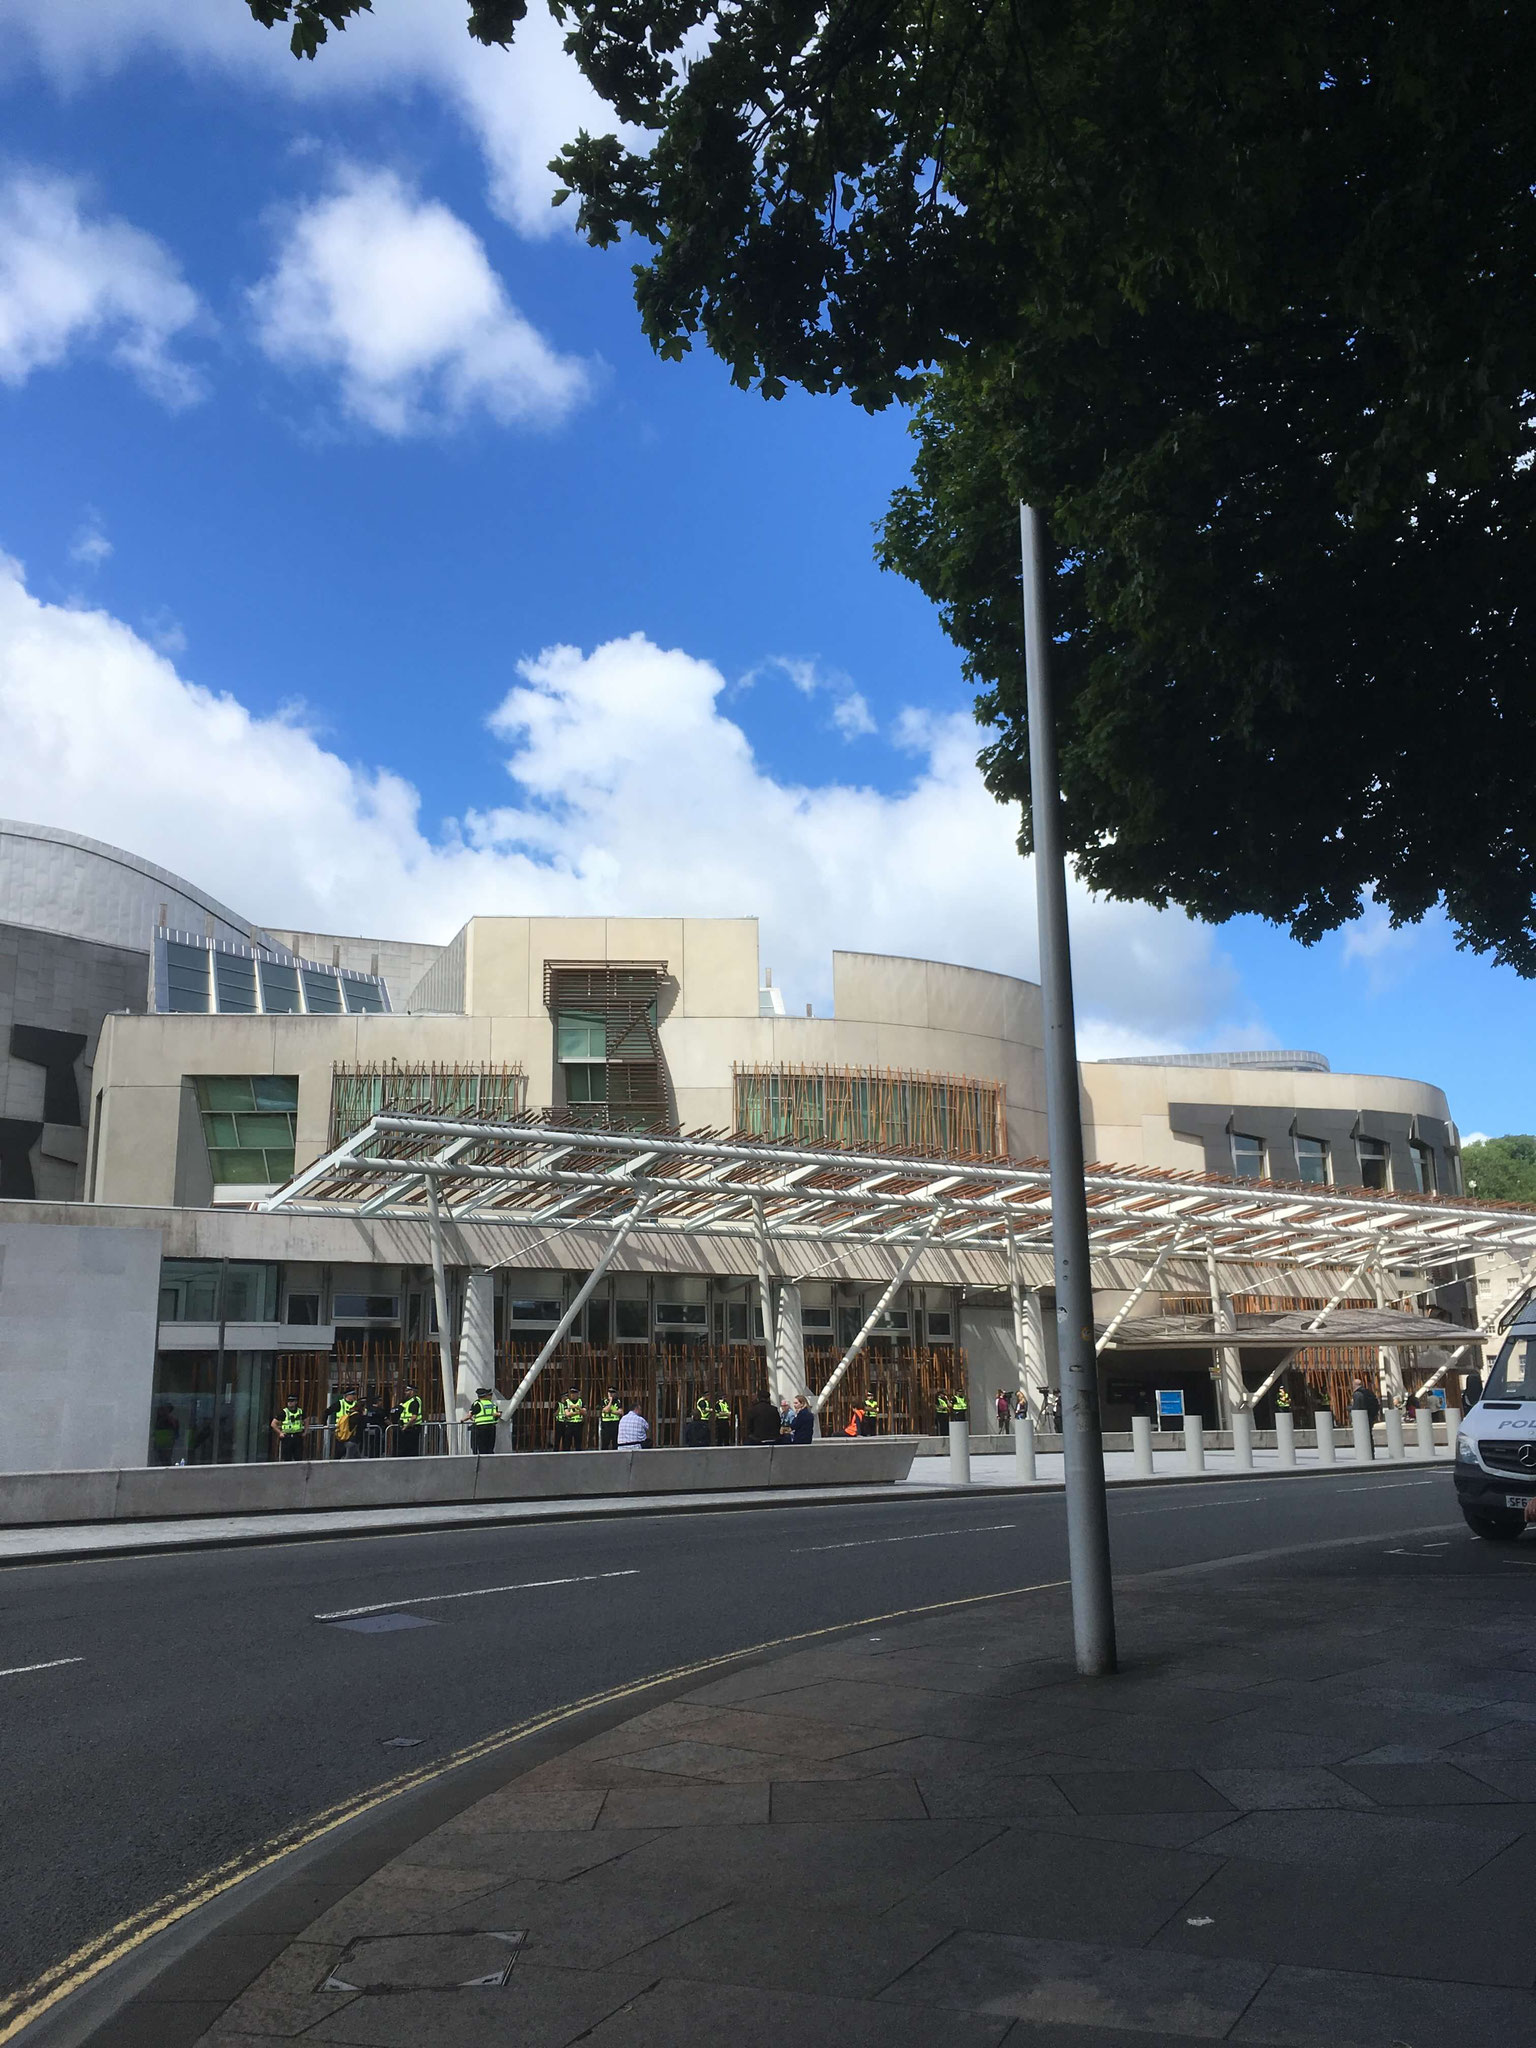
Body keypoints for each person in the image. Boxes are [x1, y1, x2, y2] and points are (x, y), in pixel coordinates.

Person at [1350, 1376, 1381, 1460]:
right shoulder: (1368, 1392)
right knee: (1368, 1434)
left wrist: (1350, 1409)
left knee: (1362, 1435)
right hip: (1370, 1416)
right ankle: (1371, 1452)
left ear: (1354, 1385)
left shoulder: (1357, 1394)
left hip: (1362, 1418)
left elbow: (1357, 1407)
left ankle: (1365, 1453)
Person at [330, 1385, 361, 1459]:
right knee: (341, 1450)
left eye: (355, 1394)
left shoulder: (357, 1404)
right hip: (342, 1430)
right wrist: (324, 1423)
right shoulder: (340, 1403)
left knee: (352, 1448)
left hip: (353, 1430)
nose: (354, 1396)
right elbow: (327, 1411)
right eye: (353, 1394)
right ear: (347, 1395)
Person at [272, 1397, 307, 1462]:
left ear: (296, 1402)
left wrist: (305, 1431)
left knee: (298, 1457)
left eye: (292, 1401)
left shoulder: (300, 1411)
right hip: (287, 1437)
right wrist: (280, 1433)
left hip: (298, 1436)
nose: (290, 1403)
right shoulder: (284, 1412)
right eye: (289, 1401)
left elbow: (306, 1421)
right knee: (287, 1458)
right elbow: (273, 1424)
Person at [469, 1387, 500, 1456]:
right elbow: (497, 1415)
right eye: (490, 1394)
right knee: (490, 1447)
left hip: (480, 1427)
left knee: (482, 1447)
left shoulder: (477, 1403)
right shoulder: (492, 1404)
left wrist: (463, 1420)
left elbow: (470, 1414)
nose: (491, 1396)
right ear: (485, 1395)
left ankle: (484, 1462)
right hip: (491, 1427)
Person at [394, 1386, 423, 1457]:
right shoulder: (407, 1401)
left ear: (412, 1392)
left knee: (410, 1451)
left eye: (407, 1391)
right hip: (408, 1428)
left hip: (411, 1428)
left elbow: (414, 1417)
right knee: (405, 1450)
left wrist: (405, 1427)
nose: (405, 1392)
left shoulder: (414, 1401)